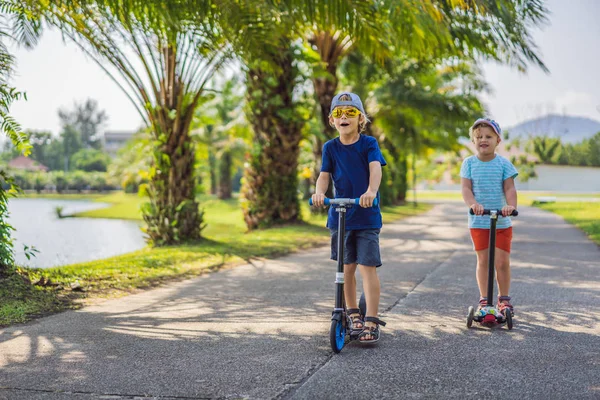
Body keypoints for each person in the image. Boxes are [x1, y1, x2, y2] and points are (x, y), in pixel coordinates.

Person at [311, 92, 387, 343]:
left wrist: (371, 192)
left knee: (367, 268)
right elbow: (324, 175)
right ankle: (353, 313)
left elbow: (375, 168)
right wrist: (320, 193)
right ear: (332, 120)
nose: (344, 117)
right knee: (346, 268)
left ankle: (371, 320)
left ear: (360, 118)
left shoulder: (368, 144)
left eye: (350, 113)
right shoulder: (330, 147)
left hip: (365, 215)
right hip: (340, 214)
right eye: (338, 113)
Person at [460, 118, 518, 314]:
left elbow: (509, 187)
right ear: (473, 141)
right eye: (479, 137)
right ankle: (485, 299)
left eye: (488, 136)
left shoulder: (503, 164)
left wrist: (511, 206)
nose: (483, 140)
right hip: (478, 221)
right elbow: (466, 188)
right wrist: (473, 204)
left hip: (502, 221)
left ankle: (504, 299)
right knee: (483, 261)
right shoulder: (468, 163)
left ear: (498, 140)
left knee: (501, 262)